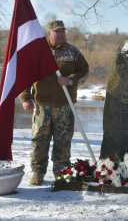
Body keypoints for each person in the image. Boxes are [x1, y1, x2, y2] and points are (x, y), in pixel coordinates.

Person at [20, 20, 89, 185]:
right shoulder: (38, 51)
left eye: (62, 31)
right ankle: (38, 173)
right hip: (41, 106)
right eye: (57, 31)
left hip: (65, 106)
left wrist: (70, 80)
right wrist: (26, 97)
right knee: (39, 141)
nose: (60, 34)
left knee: (63, 141)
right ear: (49, 33)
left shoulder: (73, 52)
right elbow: (26, 74)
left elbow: (85, 71)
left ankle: (61, 174)